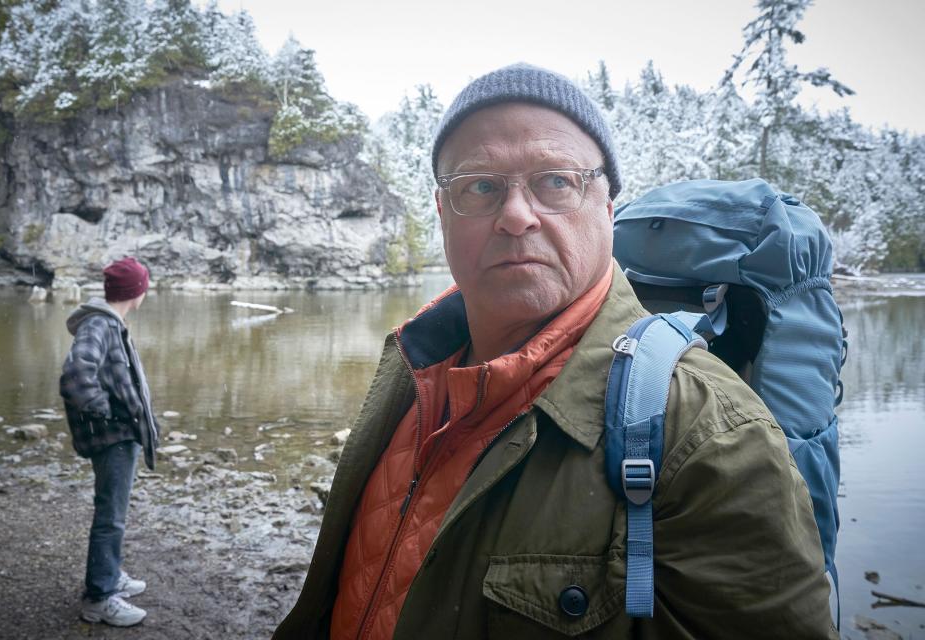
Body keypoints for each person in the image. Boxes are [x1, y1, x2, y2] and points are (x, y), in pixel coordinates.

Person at [274, 64, 836, 639]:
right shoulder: (413, 368)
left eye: (556, 181)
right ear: (443, 216)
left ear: (607, 206)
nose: (516, 216)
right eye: (480, 187)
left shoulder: (711, 434)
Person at [60, 256, 159, 627]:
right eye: (144, 286)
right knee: (111, 517)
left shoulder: (109, 323)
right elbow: (75, 378)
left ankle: (109, 573)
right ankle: (99, 597)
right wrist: (110, 415)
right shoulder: (99, 325)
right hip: (113, 438)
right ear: (137, 291)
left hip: (119, 436)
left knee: (112, 512)